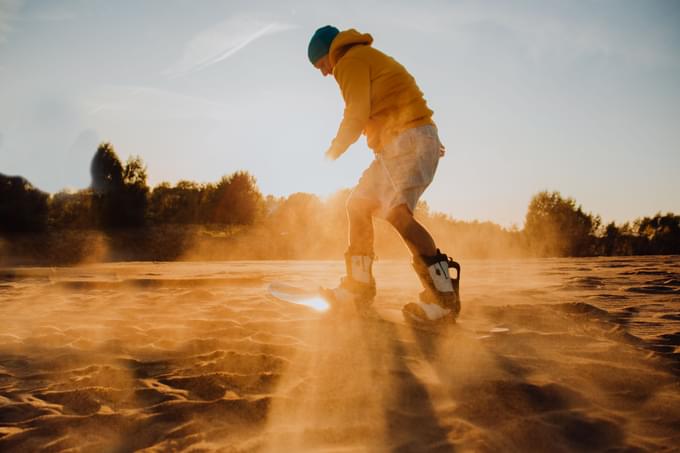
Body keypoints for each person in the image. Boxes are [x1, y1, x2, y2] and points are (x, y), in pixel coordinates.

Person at [308, 25, 461, 322]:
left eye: (322, 65)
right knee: (358, 205)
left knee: (398, 214)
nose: (325, 73)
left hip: (407, 142)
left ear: (330, 53)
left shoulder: (349, 61)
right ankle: (359, 287)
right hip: (403, 141)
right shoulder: (366, 57)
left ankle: (443, 300)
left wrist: (332, 152)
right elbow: (401, 94)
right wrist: (427, 135)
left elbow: (356, 112)